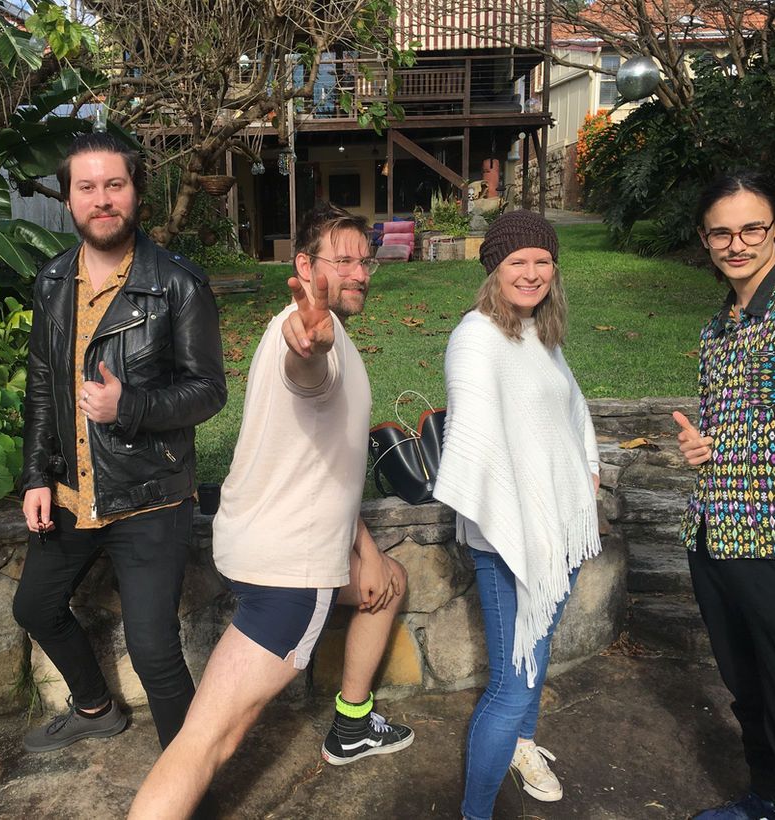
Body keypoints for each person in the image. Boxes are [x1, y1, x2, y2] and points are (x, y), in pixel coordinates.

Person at [128, 202, 413, 820]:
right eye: (344, 260)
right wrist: (309, 347)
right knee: (206, 742)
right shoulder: (312, 337)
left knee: (391, 580)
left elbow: (325, 460)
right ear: (305, 266)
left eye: (367, 260)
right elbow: (304, 370)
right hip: (290, 576)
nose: (362, 272)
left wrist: (364, 549)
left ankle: (353, 724)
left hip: (254, 549)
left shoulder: (299, 326)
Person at [13, 131, 227, 753]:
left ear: (135, 193)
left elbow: (209, 391)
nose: (102, 199)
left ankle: (188, 788)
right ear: (68, 199)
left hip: (150, 494)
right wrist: (34, 476)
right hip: (71, 491)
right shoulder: (54, 281)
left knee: (155, 652)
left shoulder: (178, 284)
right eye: (87, 187)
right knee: (35, 608)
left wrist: (128, 405)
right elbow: (42, 389)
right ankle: (95, 706)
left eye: (115, 185)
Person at [432, 210, 601, 820]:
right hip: (511, 539)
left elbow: (571, 409)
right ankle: (475, 814)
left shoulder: (539, 334)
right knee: (511, 686)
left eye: (542, 261)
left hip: (557, 528)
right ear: (493, 271)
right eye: (516, 262)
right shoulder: (477, 337)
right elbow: (479, 445)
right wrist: (520, 521)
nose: (531, 273)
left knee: (537, 651)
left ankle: (522, 748)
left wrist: (585, 469)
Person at [673, 170, 775, 820]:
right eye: (721, 232)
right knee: (748, 691)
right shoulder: (719, 328)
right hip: (715, 539)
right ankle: (766, 797)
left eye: (750, 229)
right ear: (706, 239)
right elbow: (746, 419)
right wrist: (704, 445)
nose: (736, 243)